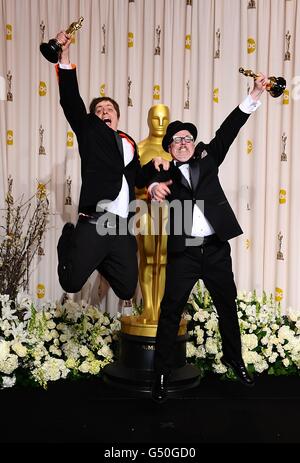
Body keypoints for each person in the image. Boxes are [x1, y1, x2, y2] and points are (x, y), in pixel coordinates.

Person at [150, 74, 268, 403]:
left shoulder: (208, 157)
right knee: (170, 310)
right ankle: (160, 373)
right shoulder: (164, 170)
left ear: (194, 143)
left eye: (188, 138)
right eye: (177, 140)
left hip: (216, 248)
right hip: (183, 253)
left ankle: (235, 359)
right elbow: (147, 176)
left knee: (227, 307)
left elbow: (229, 129)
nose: (184, 142)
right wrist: (152, 187)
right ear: (170, 149)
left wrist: (254, 94)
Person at [54, 31, 167, 300]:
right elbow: (71, 101)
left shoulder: (129, 143)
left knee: (127, 288)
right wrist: (64, 57)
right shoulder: (90, 132)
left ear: (118, 117)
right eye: (100, 109)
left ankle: (101, 255)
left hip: (120, 228)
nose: (105, 112)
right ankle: (68, 238)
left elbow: (139, 177)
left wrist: (155, 169)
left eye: (110, 109)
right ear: (94, 117)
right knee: (71, 283)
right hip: (95, 220)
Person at [137, 104, 171, 321]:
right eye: (156, 119)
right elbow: (132, 180)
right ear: (148, 120)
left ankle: (160, 308)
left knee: (164, 260)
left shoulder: (175, 149)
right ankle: (148, 307)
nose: (160, 123)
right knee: (148, 258)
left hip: (171, 211)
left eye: (164, 119)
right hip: (144, 208)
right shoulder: (139, 148)